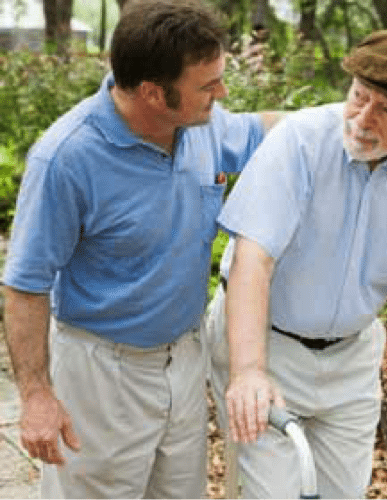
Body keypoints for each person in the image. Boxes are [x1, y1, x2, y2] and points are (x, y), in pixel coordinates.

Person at [1, 0, 284, 498]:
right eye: (208, 85)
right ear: (153, 93)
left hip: (183, 357)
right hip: (101, 374)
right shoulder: (66, 158)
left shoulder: (203, 125)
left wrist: (351, 118)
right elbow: (25, 286)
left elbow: (270, 130)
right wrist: (38, 395)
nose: (221, 94)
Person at [206, 29, 387, 500]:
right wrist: (248, 371)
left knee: (344, 493)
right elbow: (252, 263)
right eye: (358, 98)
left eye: (386, 110)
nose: (362, 119)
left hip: (352, 356)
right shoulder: (298, 141)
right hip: (265, 345)